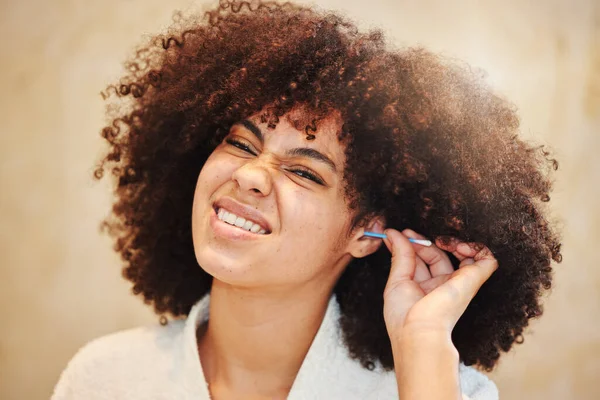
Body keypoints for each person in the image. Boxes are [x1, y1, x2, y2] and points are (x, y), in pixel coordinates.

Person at [51, 1, 563, 399]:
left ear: (367, 234)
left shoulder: (436, 385)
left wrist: (423, 344)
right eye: (241, 143)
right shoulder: (104, 378)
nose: (251, 174)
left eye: (302, 171)